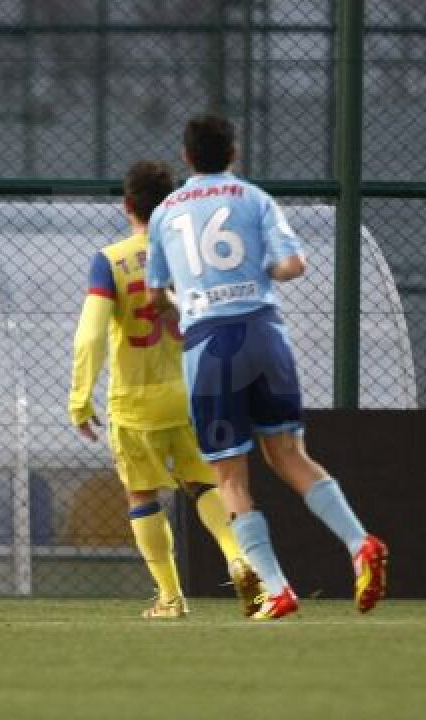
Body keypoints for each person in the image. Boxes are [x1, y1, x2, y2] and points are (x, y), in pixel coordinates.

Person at [145, 113, 388, 619]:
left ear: (186, 156)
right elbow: (293, 265)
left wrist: (184, 300)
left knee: (231, 477)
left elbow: (155, 295)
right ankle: (359, 542)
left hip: (210, 345)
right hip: (263, 332)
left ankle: (277, 589)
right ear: (234, 152)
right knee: (289, 454)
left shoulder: (166, 212)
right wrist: (258, 272)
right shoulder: (255, 199)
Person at [69, 160, 263, 619]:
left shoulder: (110, 261)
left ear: (127, 205)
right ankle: (239, 559)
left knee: (141, 495)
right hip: (193, 393)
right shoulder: (192, 258)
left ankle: (170, 598)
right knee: (204, 483)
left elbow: (91, 335)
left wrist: (80, 397)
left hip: (136, 402)